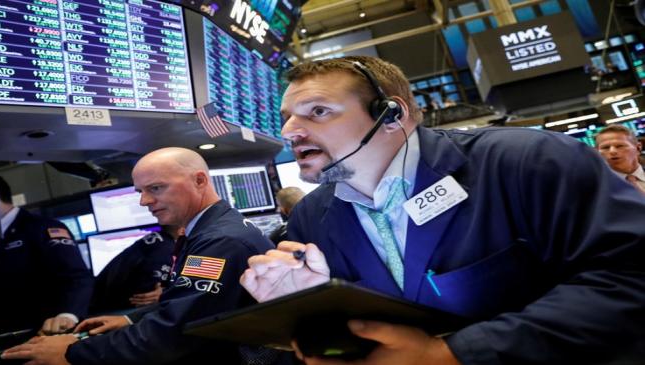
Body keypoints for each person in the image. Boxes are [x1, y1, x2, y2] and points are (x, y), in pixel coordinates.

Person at [240, 56, 645, 364]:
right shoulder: (313, 216)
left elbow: (630, 275)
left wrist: (453, 353)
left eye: (317, 111)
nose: (289, 131)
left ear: (391, 115)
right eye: (288, 117)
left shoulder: (526, 161)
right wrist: (304, 312)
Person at [2, 148, 280, 364]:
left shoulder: (218, 242)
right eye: (140, 191)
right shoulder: (214, 229)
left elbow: (173, 333)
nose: (144, 201)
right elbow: (191, 303)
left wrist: (73, 352)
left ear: (199, 181)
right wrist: (131, 319)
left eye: (156, 188)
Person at [0, 177, 93, 335]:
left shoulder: (43, 228)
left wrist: (67, 316)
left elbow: (77, 278)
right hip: (2, 334)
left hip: (42, 332)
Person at [88, 226, 177, 314]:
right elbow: (150, 295)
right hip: (118, 311)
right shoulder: (164, 249)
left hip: (98, 305)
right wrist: (168, 293)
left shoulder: (156, 239)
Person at [595, 124, 645, 194]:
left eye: (620, 146)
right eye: (605, 147)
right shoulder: (597, 191)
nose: (612, 151)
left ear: (638, 148)